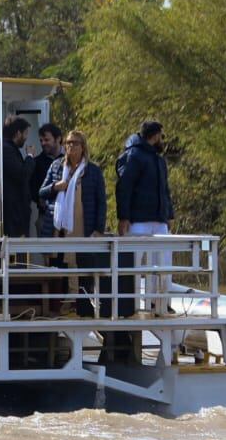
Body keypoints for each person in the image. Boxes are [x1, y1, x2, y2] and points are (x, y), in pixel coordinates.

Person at [40, 129, 109, 316]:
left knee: (83, 269)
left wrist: (98, 229)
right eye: (68, 143)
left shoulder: (92, 171)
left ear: (83, 147)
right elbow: (41, 192)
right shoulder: (56, 167)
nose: (71, 146)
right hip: (59, 229)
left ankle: (82, 307)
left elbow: (101, 202)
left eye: (75, 143)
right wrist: (56, 187)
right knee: (59, 270)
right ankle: (61, 306)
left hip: (83, 228)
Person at [116, 119, 175, 315]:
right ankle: (129, 305)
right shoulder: (134, 155)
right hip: (138, 220)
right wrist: (123, 216)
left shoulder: (158, 160)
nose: (162, 140)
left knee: (163, 264)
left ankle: (158, 302)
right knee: (133, 264)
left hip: (159, 220)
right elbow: (124, 186)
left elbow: (165, 190)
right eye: (161, 136)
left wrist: (170, 214)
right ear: (155, 135)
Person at [1, 116, 34, 238]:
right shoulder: (7, 150)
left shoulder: (10, 149)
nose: (26, 138)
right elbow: (22, 174)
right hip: (14, 215)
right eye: (25, 134)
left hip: (16, 213)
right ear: (18, 133)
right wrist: (30, 157)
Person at [30, 123, 64, 238]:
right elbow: (31, 188)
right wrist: (39, 199)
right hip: (45, 215)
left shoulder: (70, 160)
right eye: (41, 140)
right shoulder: (37, 162)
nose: (43, 143)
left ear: (58, 139)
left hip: (66, 216)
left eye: (46, 140)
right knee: (47, 253)